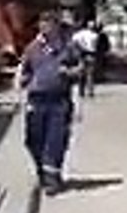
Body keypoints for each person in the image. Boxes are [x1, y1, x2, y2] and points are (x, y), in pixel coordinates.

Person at [20, 10, 82, 195]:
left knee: (56, 140)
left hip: (59, 100)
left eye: (50, 23)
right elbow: (25, 70)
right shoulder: (32, 48)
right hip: (36, 100)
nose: (45, 26)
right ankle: (44, 171)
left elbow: (80, 68)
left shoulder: (68, 47)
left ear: (56, 26)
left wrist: (70, 73)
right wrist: (24, 80)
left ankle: (52, 179)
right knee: (33, 140)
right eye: (43, 23)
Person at [71, 20, 98, 97]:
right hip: (91, 54)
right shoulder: (95, 35)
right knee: (90, 74)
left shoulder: (80, 33)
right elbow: (94, 46)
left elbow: (73, 41)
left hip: (82, 54)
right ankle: (90, 91)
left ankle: (81, 91)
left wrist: (79, 47)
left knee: (81, 73)